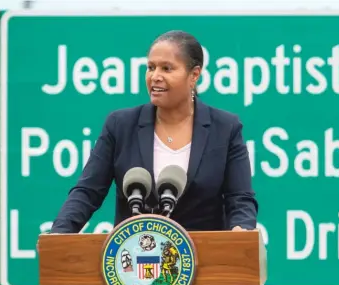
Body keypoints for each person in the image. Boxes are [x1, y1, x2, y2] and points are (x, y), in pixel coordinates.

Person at [49, 30, 258, 233]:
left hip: (203, 260)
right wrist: (60, 232)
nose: (155, 77)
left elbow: (240, 199)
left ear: (194, 75)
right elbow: (87, 192)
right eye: (151, 67)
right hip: (132, 259)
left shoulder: (225, 127)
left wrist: (242, 228)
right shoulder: (120, 125)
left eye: (167, 69)